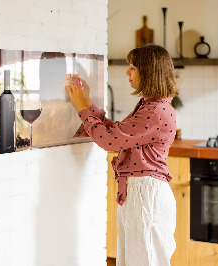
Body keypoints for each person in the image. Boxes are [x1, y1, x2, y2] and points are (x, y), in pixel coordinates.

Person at [66, 44, 178, 266]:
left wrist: (81, 108)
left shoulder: (155, 111)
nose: (127, 72)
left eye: (133, 67)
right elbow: (117, 133)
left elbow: (109, 141)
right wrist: (87, 103)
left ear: (149, 72)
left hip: (146, 196)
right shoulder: (151, 106)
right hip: (141, 193)